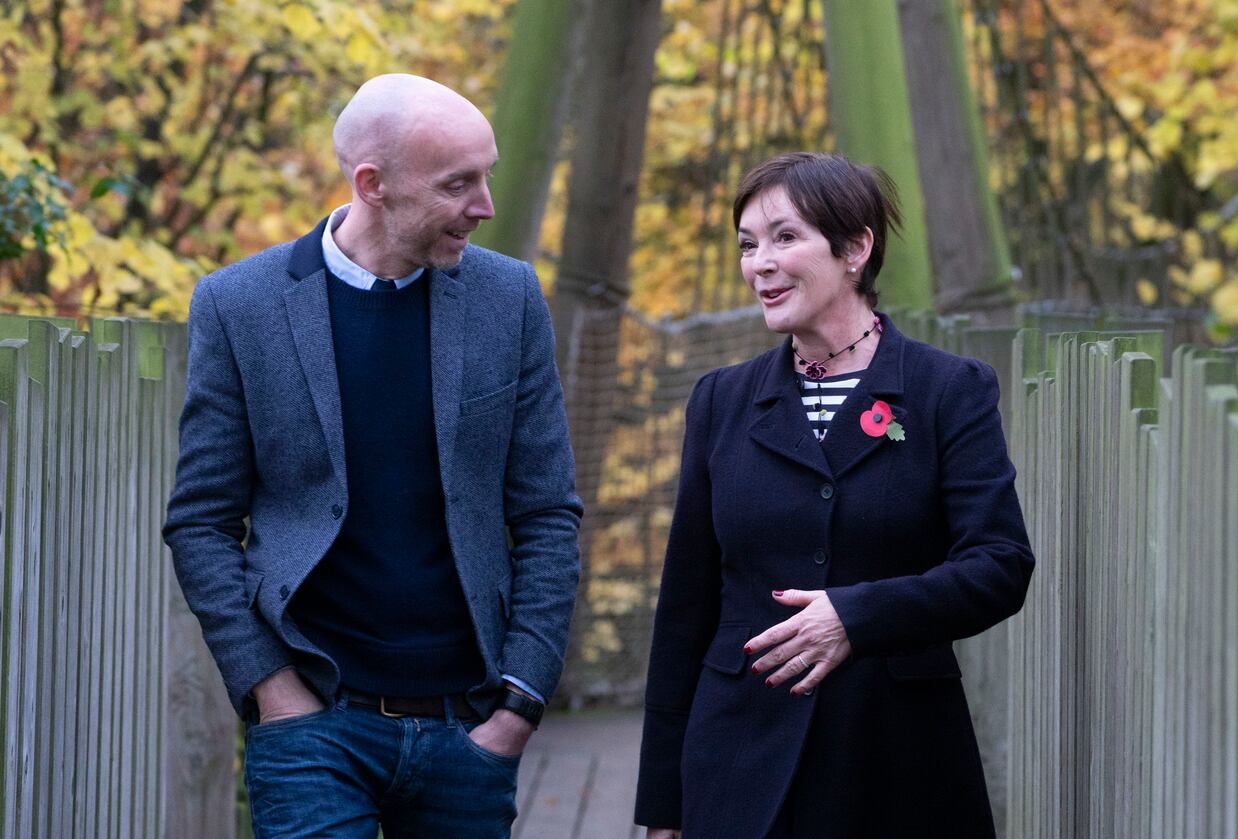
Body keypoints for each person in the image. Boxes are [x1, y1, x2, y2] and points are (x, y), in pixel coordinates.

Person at [163, 74, 582, 838]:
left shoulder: (510, 299)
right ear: (373, 184)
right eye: (459, 184)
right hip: (313, 725)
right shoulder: (238, 304)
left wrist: (521, 699)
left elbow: (548, 511)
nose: (485, 205)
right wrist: (270, 688)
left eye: (487, 175)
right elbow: (200, 521)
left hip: (470, 727)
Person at [634, 152, 1034, 839]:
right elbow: (685, 609)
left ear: (855, 248)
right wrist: (663, 804)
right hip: (738, 768)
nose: (759, 262)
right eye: (748, 244)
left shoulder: (948, 391)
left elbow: (1000, 564)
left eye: (785, 237)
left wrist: (856, 614)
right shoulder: (721, 401)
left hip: (897, 765)